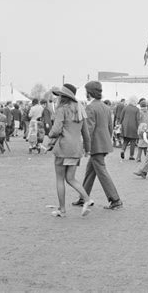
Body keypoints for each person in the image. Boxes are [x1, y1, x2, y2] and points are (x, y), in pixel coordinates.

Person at [72, 81, 123, 210]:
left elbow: (88, 130)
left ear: (89, 92)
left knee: (101, 171)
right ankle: (83, 197)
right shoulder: (105, 107)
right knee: (90, 171)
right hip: (104, 143)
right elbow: (110, 127)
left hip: (96, 145)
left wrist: (85, 147)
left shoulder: (90, 108)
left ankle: (115, 199)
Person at [49, 84, 93, 217]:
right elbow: (86, 133)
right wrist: (87, 149)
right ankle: (87, 199)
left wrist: (50, 135)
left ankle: (62, 210)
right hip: (76, 149)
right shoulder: (80, 109)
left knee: (60, 179)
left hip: (63, 148)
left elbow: (56, 130)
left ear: (63, 97)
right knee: (71, 178)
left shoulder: (62, 110)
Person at [119, 96, 140, 160]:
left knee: (125, 140)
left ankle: (122, 150)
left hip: (125, 126)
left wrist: (120, 124)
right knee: (133, 141)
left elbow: (121, 116)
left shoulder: (125, 108)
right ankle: (131, 155)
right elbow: (137, 119)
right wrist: (138, 127)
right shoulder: (136, 109)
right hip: (134, 126)